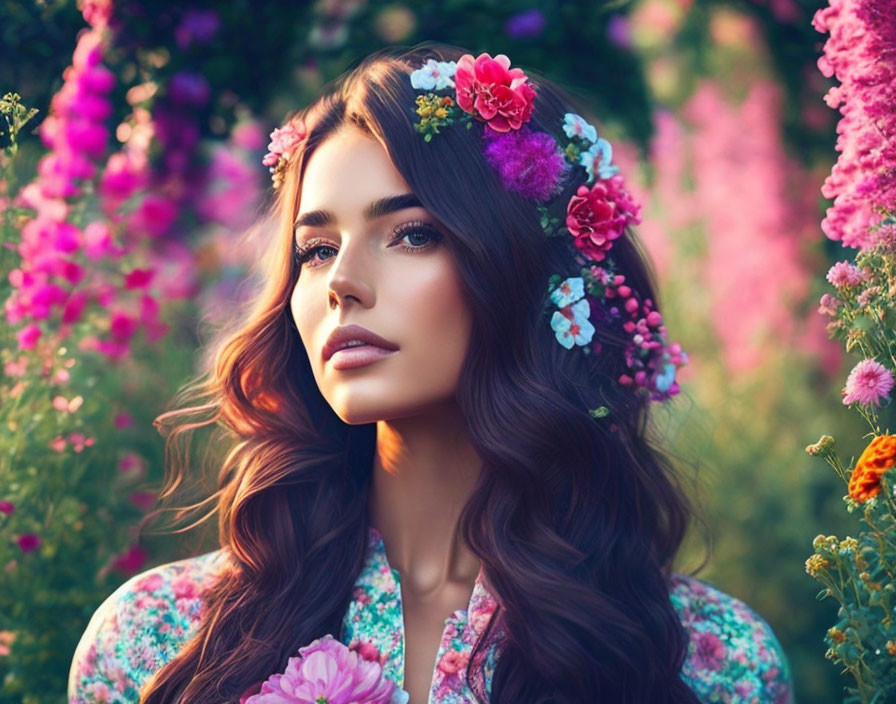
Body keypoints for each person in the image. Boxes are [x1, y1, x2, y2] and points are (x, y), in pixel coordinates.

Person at [68, 42, 795, 704]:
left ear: (528, 271)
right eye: (316, 248)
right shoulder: (158, 643)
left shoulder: (709, 663)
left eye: (412, 234)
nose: (341, 282)